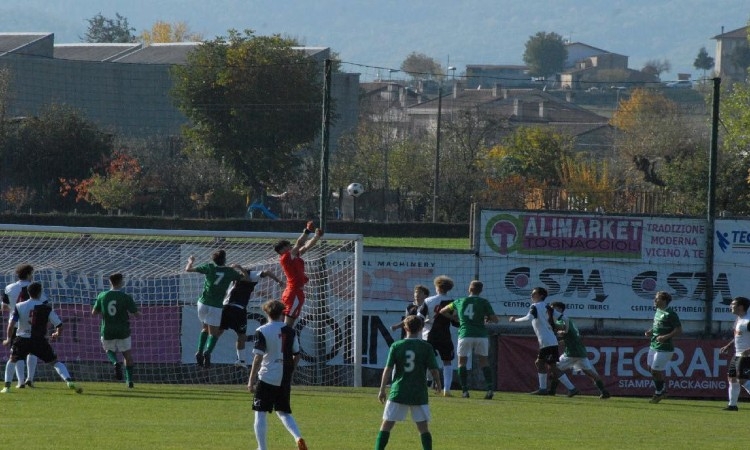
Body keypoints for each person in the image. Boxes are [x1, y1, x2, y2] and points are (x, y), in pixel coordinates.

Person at [1, 282, 82, 394]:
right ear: (40, 293)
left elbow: (11, 325)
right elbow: (60, 325)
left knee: (12, 360)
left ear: (28, 293)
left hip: (22, 339)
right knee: (55, 362)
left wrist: (8, 338)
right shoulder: (46, 308)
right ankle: (69, 381)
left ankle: (7, 387)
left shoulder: (19, 306)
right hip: (39, 340)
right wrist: (57, 333)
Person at [248, 300, 307, 450]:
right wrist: (289, 371)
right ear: (282, 313)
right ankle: (298, 437)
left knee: (260, 413)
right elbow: (297, 355)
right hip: (284, 376)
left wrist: (251, 380)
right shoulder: (290, 330)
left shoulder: (262, 330)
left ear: (266, 313)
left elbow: (258, 357)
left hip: (267, 375)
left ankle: (262, 448)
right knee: (284, 412)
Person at [375, 315, 441, 450]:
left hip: (399, 390)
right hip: (419, 392)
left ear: (405, 328)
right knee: (423, 427)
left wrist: (382, 389)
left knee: (387, 424)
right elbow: (434, 369)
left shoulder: (396, 345)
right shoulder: (426, 347)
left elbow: (388, 369)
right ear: (421, 328)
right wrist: (438, 383)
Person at [508, 287, 577, 396]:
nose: (531, 295)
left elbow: (528, 318)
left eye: (534, 293)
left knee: (549, 366)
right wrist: (561, 330)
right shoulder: (547, 307)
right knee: (543, 364)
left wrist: (514, 320)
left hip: (547, 342)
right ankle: (553, 389)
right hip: (549, 341)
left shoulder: (535, 306)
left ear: (540, 296)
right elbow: (564, 318)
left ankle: (552, 389)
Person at [439, 280, 499, 399]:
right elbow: (495, 319)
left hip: (465, 334)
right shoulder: (484, 302)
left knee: (462, 363)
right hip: (481, 335)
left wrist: (455, 318)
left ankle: (465, 391)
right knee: (484, 362)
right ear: (481, 291)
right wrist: (487, 318)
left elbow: (442, 311)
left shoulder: (459, 301)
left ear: (469, 289)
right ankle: (489, 389)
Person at [185, 249, 243, 368]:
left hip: (202, 303)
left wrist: (190, 261)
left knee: (205, 328)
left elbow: (188, 269)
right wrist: (239, 268)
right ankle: (208, 352)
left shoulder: (209, 267)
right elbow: (244, 278)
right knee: (214, 333)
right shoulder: (229, 271)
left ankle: (199, 351)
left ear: (213, 260)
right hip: (215, 305)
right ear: (225, 259)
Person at [220, 265, 282, 367]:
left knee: (241, 336)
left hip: (239, 309)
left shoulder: (251, 275)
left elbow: (266, 272)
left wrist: (278, 280)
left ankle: (241, 360)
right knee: (218, 331)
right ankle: (206, 351)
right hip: (227, 307)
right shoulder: (233, 280)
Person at [549, 301, 611, 399]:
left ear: (560, 310)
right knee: (590, 373)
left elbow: (561, 331)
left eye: (553, 309)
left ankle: (555, 390)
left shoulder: (560, 320)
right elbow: (569, 337)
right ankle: (604, 391)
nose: (551, 311)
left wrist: (552, 328)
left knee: (554, 368)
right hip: (580, 351)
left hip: (571, 352)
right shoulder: (570, 321)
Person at [92, 273, 140, 388]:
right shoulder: (125, 297)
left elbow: (94, 313)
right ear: (121, 282)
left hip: (107, 329)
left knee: (108, 350)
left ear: (110, 282)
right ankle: (129, 381)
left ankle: (114, 362)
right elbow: (136, 314)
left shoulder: (102, 295)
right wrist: (138, 313)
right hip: (123, 330)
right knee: (127, 355)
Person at [273, 221, 323, 327]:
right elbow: (299, 244)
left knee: (282, 323)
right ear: (282, 250)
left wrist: (316, 237)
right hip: (294, 292)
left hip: (292, 291)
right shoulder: (286, 257)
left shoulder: (293, 257)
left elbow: (305, 247)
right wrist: (307, 231)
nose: (291, 247)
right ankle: (285, 342)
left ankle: (280, 341)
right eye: (288, 246)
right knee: (287, 326)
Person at [1, 263, 37, 388]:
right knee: (32, 351)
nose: (32, 276)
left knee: (17, 354)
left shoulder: (9, 287)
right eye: (31, 273)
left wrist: (12, 308)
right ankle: (30, 379)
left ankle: (20, 382)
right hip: (31, 324)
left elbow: (4, 306)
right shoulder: (34, 288)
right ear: (28, 274)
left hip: (15, 324)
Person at [423, 275, 458, 397]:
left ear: (437, 286)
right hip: (444, 335)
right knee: (447, 362)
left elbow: (419, 317)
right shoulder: (452, 302)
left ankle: (426, 386)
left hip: (429, 334)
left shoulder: (428, 301)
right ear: (448, 288)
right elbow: (455, 322)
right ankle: (446, 389)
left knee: (426, 360)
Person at [645, 290, 682, 404]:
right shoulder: (658, 311)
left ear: (664, 301)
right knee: (650, 369)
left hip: (665, 347)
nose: (654, 300)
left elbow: (678, 330)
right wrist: (651, 331)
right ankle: (662, 390)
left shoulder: (670, 314)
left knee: (656, 370)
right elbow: (658, 326)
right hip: (654, 344)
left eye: (657, 298)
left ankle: (659, 392)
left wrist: (665, 337)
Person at [719, 296, 750, 411]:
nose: (730, 306)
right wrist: (728, 346)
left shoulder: (748, 321)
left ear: (741, 307)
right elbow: (738, 335)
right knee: (732, 378)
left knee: (742, 380)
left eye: (733, 304)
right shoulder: (738, 319)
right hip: (737, 353)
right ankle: (732, 405)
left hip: (746, 355)